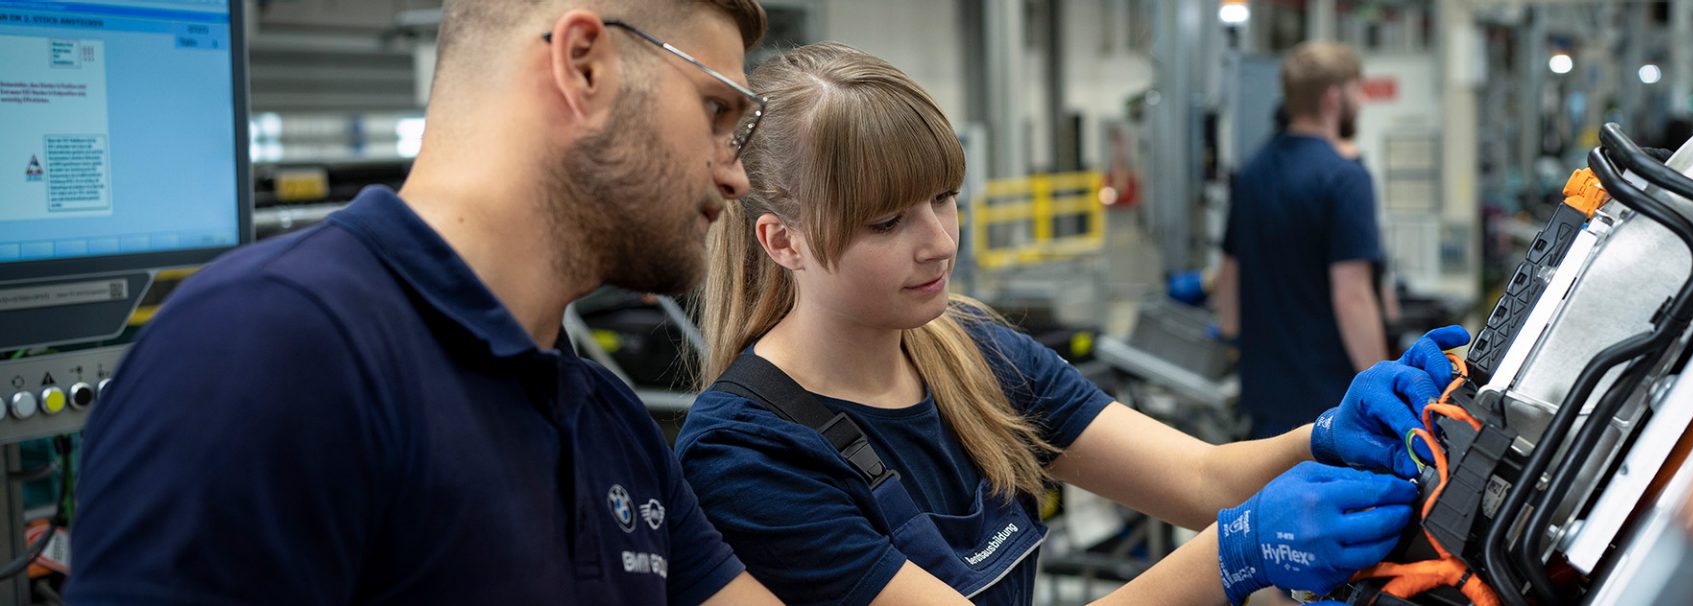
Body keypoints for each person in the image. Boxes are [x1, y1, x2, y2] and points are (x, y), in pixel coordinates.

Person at [674, 42, 1469, 605]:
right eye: (888, 222)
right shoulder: (747, 453)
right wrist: (1235, 553)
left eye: (945, 198)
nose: (940, 241)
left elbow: (1203, 480)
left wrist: (1326, 434)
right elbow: (1223, 524)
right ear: (782, 240)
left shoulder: (974, 353)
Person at [67, 1, 788, 603]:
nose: (733, 173)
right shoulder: (264, 351)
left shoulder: (606, 417)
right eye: (717, 109)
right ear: (584, 66)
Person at [1217, 41, 1387, 439]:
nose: (1361, 103)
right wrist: (1380, 388)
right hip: (1329, 404)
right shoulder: (1345, 177)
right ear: (1333, 97)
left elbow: (1228, 285)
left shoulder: (1252, 172)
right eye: (1357, 91)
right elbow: (1353, 296)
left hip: (1264, 398)